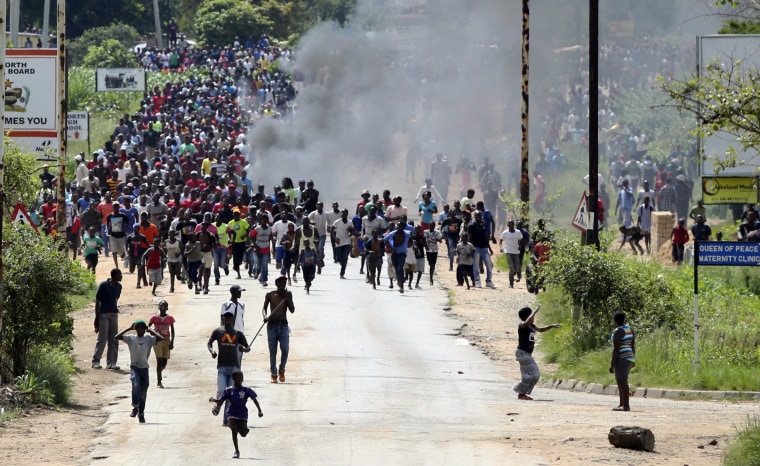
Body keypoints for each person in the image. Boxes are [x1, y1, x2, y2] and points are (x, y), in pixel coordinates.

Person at [208, 311, 251, 426]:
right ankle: (218, 403)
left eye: (229, 318)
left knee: (230, 395)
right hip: (222, 367)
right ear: (223, 319)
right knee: (222, 390)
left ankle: (226, 420)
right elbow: (209, 343)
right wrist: (212, 351)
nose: (227, 320)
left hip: (234, 368)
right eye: (225, 318)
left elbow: (248, 347)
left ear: (232, 320)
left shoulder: (238, 334)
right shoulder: (218, 331)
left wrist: (243, 349)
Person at [116, 319, 163, 423]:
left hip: (144, 368)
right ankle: (135, 406)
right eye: (138, 327)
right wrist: (128, 328)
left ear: (145, 329)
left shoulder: (149, 339)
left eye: (142, 328)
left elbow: (161, 338)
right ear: (135, 329)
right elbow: (116, 337)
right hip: (135, 367)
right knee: (136, 385)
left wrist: (151, 331)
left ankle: (141, 413)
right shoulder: (131, 338)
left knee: (143, 393)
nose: (140, 329)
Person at [209, 370, 263, 459]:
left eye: (242, 376)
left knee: (243, 434)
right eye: (239, 377)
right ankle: (236, 451)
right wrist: (214, 401)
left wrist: (259, 410)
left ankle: (244, 430)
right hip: (232, 413)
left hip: (242, 415)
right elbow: (221, 401)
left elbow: (254, 399)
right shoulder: (229, 390)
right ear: (233, 378)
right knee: (234, 431)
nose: (242, 378)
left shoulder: (246, 389)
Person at [513, 305, 560, 401]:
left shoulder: (532, 326)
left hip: (527, 354)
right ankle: (520, 392)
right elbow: (526, 322)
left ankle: (523, 393)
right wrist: (535, 311)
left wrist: (551, 326)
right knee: (531, 375)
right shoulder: (522, 325)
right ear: (527, 316)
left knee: (536, 375)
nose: (533, 317)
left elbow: (540, 329)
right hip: (522, 352)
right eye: (531, 315)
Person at [262, 276, 295, 383]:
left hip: (284, 326)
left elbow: (292, 310)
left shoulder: (288, 294)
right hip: (272, 326)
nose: (282, 286)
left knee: (285, 349)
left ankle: (282, 369)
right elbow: (264, 308)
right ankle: (273, 373)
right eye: (280, 284)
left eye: (284, 284)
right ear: (277, 284)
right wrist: (265, 316)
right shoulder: (270, 294)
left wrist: (287, 298)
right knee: (273, 351)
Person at [92, 268, 123, 370]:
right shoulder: (104, 285)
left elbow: (115, 299)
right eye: (120, 275)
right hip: (104, 315)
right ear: (114, 276)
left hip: (114, 315)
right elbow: (97, 301)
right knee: (102, 339)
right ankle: (96, 361)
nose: (121, 276)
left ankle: (111, 362)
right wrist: (96, 317)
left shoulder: (119, 286)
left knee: (114, 339)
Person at [610, 311, 635, 412]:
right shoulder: (630, 330)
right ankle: (622, 404)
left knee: (623, 381)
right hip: (629, 357)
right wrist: (633, 358)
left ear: (615, 320)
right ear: (624, 319)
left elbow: (616, 349)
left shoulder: (618, 331)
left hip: (622, 357)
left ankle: (626, 406)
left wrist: (612, 364)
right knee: (620, 380)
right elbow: (632, 345)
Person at [148, 300, 175, 389]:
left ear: (167, 308)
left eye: (164, 306)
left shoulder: (170, 318)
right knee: (159, 361)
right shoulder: (154, 318)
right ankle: (159, 381)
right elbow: (148, 327)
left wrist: (172, 342)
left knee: (165, 362)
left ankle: (159, 372)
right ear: (159, 307)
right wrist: (152, 333)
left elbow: (172, 330)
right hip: (157, 341)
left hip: (166, 340)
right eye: (161, 306)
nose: (163, 308)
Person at [499, 220, 522, 288]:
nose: (510, 226)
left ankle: (518, 276)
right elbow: (500, 241)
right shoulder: (505, 233)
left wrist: (520, 246)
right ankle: (511, 283)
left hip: (516, 251)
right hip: (508, 251)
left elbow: (520, 239)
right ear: (507, 225)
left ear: (513, 225)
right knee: (511, 267)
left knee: (517, 267)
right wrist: (501, 247)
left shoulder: (518, 232)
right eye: (509, 225)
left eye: (511, 225)